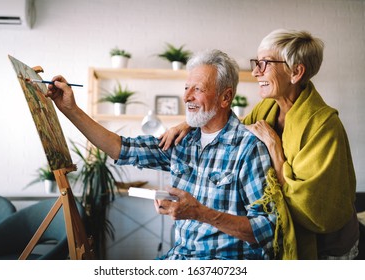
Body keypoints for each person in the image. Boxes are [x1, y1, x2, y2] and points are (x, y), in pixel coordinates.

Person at [46, 49, 280, 259]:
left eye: (198, 89)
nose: (187, 97)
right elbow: (120, 147)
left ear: (225, 97)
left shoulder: (248, 148)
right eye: (186, 88)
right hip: (180, 257)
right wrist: (70, 110)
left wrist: (201, 214)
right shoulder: (183, 141)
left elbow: (267, 230)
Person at [159, 29, 359, 260]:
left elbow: (314, 208)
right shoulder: (266, 110)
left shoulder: (324, 126)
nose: (255, 72)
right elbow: (232, 126)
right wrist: (189, 124)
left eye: (264, 63)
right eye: (256, 63)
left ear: (296, 72)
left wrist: (276, 150)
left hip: (328, 248)